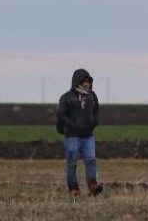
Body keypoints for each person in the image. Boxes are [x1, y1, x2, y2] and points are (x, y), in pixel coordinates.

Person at [56, 68, 104, 197]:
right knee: (72, 162)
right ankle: (73, 189)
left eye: (88, 81)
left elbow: (97, 110)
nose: (87, 84)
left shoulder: (92, 96)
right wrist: (73, 125)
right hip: (72, 136)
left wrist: (95, 121)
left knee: (91, 160)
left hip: (88, 136)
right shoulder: (66, 97)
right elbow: (61, 114)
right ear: (77, 82)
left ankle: (93, 185)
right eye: (84, 81)